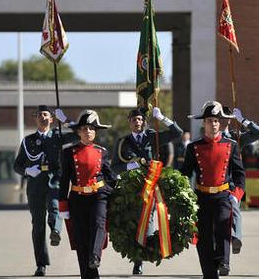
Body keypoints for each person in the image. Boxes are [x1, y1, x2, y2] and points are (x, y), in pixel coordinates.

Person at [111, 106, 182, 275]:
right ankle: (138, 255)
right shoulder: (123, 142)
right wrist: (128, 166)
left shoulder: (153, 137)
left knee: (147, 222)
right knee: (134, 222)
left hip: (151, 186)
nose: (138, 122)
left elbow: (177, 133)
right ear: (129, 123)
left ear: (145, 122)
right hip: (131, 189)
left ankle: (139, 260)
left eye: (141, 120)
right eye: (134, 120)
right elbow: (114, 167)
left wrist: (163, 118)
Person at [179, 101, 244, 278]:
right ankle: (209, 273)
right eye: (209, 120)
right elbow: (185, 173)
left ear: (220, 123)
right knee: (204, 238)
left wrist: (236, 195)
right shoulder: (194, 147)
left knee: (224, 227)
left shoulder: (231, 145)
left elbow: (239, 174)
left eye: (216, 120)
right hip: (202, 196)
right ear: (204, 123)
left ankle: (224, 261)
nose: (213, 124)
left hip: (223, 195)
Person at [13, 105, 78, 277]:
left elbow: (80, 133)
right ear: (35, 119)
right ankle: (41, 264)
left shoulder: (57, 136)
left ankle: (55, 230)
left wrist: (65, 120)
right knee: (38, 225)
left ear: (51, 119)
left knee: (55, 207)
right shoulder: (28, 141)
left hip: (54, 180)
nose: (42, 117)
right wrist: (27, 171)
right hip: (35, 184)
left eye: (46, 115)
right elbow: (17, 165)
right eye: (39, 115)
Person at [58, 110, 115, 279]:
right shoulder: (68, 152)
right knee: (81, 240)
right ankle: (89, 274)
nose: (88, 131)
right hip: (77, 198)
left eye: (91, 128)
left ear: (95, 131)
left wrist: (123, 186)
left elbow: (110, 176)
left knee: (98, 224)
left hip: (99, 195)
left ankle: (96, 256)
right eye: (84, 128)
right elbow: (64, 179)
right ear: (78, 131)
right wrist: (62, 203)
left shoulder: (102, 151)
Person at [222, 106, 259, 255]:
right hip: (216, 181)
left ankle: (236, 237)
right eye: (221, 117)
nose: (224, 120)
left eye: (227, 117)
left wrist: (243, 120)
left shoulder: (236, 137)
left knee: (235, 208)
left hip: (234, 180)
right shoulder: (210, 136)